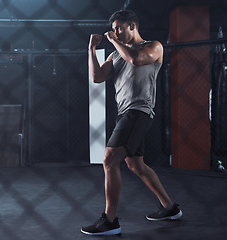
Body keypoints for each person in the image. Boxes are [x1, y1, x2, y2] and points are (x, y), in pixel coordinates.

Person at [81, 10, 182, 236]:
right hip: (125, 113)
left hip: (139, 111)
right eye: (114, 28)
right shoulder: (115, 54)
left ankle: (110, 220)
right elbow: (97, 77)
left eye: (120, 27)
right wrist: (91, 49)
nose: (115, 32)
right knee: (136, 165)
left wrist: (114, 42)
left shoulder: (153, 47)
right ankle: (169, 207)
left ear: (133, 27)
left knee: (108, 160)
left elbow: (135, 60)